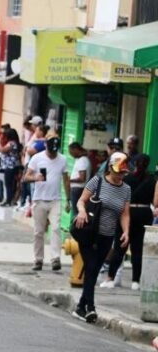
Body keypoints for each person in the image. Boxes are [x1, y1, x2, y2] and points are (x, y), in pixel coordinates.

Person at [72, 153, 131, 323]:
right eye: (118, 171)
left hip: (107, 236)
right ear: (110, 168)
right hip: (89, 233)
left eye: (123, 172)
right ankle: (91, 307)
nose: (120, 175)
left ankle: (80, 307)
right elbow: (81, 201)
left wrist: (126, 231)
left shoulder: (126, 189)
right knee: (91, 266)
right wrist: (81, 212)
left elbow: (124, 213)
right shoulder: (97, 181)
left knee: (94, 270)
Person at [99, 154, 154, 291]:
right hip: (144, 213)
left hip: (127, 212)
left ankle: (110, 278)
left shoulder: (127, 178)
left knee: (120, 247)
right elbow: (155, 201)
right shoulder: (152, 180)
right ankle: (135, 281)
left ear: (134, 164)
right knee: (138, 249)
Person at [24, 137, 70, 271]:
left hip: (56, 199)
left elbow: (66, 180)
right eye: (50, 150)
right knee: (38, 231)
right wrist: (35, 178)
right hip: (39, 199)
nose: (52, 154)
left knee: (55, 228)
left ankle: (55, 258)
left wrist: (68, 199)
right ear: (46, 146)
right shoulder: (37, 158)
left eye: (55, 151)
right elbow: (26, 177)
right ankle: (38, 259)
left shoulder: (62, 159)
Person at [68, 142, 91, 208]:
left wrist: (69, 180)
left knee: (76, 210)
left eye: (71, 152)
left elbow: (82, 178)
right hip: (78, 189)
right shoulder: (81, 159)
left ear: (76, 149)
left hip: (78, 189)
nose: (70, 154)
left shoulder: (82, 160)